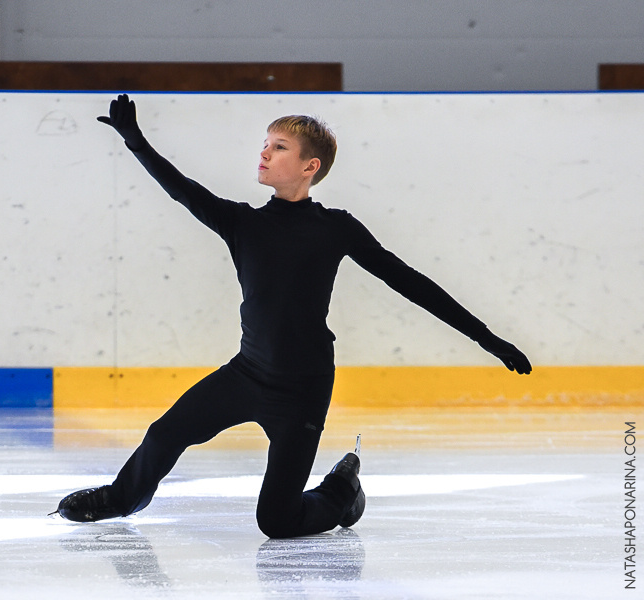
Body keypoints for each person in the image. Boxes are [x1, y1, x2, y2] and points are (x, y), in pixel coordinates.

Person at [53, 94, 532, 538]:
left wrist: (487, 339)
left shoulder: (336, 228)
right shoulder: (242, 223)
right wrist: (136, 141)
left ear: (310, 166)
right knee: (164, 434)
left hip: (303, 390)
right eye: (265, 144)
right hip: (247, 373)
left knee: (277, 521)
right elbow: (182, 191)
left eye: (279, 146)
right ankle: (121, 498)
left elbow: (409, 282)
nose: (264, 153)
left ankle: (341, 491)